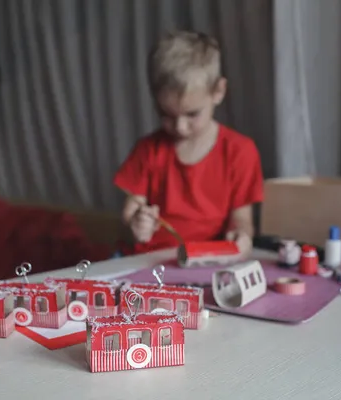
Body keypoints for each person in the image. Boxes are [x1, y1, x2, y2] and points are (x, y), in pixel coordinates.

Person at [113, 30, 264, 257]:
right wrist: (137, 221)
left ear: (218, 91)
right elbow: (131, 209)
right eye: (166, 114)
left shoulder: (240, 151)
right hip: (149, 260)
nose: (180, 127)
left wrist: (240, 235)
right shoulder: (148, 149)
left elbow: (242, 219)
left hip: (206, 260)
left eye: (192, 114)